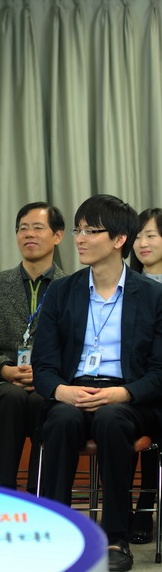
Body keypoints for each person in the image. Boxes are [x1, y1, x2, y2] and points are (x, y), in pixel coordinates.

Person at [32, 194, 162, 572]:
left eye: (91, 231)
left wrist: (123, 393)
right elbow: (43, 365)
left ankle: (115, 536)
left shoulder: (152, 296)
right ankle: (57, 533)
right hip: (73, 391)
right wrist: (62, 391)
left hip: (128, 397)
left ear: (119, 239)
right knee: (60, 419)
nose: (80, 239)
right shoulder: (62, 291)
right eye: (78, 230)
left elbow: (159, 371)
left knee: (112, 419)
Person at [0, 201, 65, 492]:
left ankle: (39, 494)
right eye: (23, 228)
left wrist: (46, 375)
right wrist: (3, 369)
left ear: (57, 236)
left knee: (42, 400)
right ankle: (4, 492)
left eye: (38, 228)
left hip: (50, 382)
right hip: (2, 382)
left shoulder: (72, 287)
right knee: (10, 397)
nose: (29, 234)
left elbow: (77, 344)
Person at [128, 207, 162, 543]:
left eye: (151, 235)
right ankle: (136, 508)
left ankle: (146, 505)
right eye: (137, 237)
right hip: (135, 383)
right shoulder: (125, 285)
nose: (143, 244)